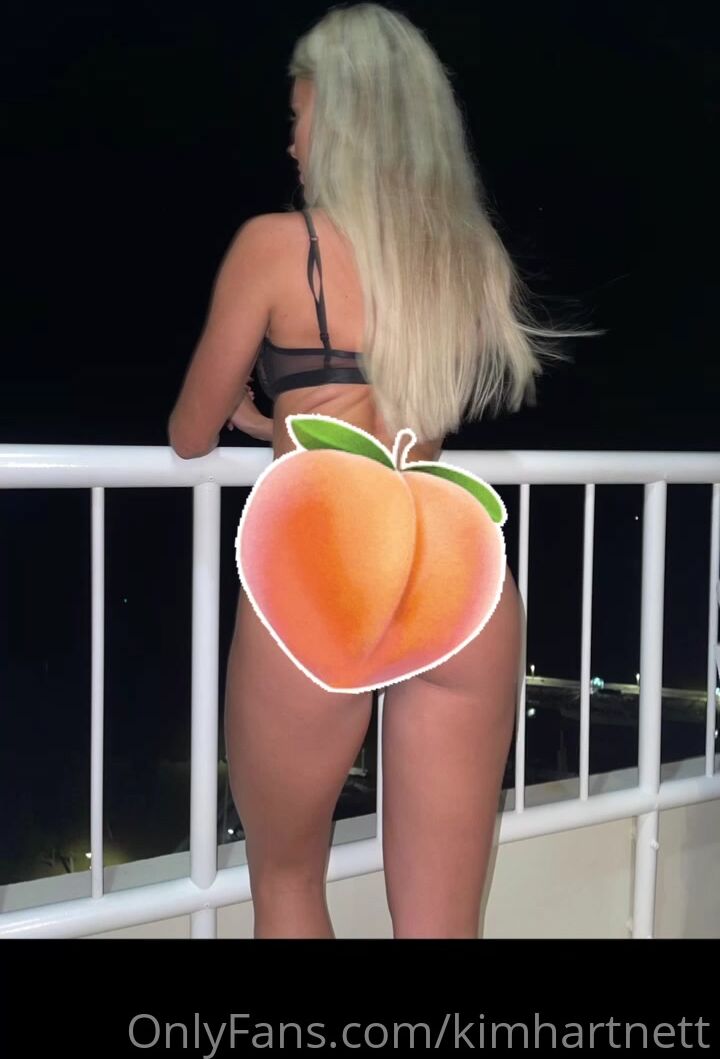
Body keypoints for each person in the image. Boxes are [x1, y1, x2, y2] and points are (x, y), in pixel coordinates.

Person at [168, 3, 597, 938]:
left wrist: (263, 412)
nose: (291, 144)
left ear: (343, 121)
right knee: (444, 925)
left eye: (299, 118)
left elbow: (190, 432)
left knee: (287, 882)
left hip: (324, 573)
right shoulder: (466, 260)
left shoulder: (277, 247)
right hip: (454, 569)